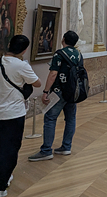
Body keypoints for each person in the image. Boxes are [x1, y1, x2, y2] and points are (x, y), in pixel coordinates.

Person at [0, 35, 41, 197]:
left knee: (0, 148)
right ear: (24, 50)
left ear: (9, 45)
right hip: (14, 114)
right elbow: (37, 83)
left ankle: (5, 175)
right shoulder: (22, 65)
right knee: (12, 149)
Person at [28, 30, 82, 162]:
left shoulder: (59, 54)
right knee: (70, 118)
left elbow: (53, 74)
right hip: (73, 92)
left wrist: (45, 91)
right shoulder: (79, 54)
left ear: (63, 39)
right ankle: (66, 147)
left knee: (50, 119)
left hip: (59, 91)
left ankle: (46, 150)